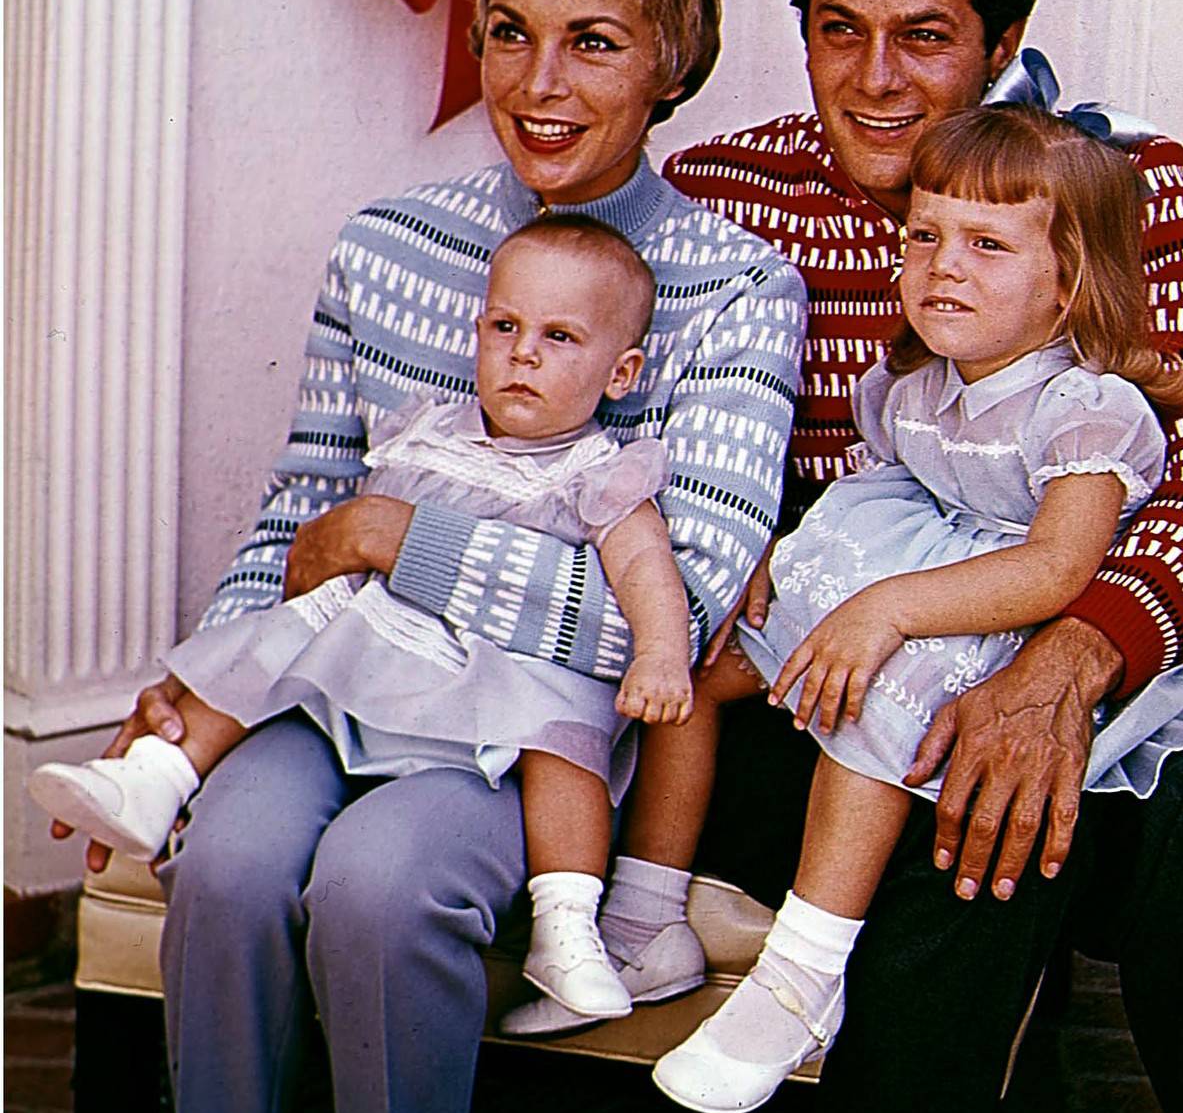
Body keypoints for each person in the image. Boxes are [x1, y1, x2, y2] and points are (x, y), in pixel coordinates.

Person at [505, 0, 1183, 1113]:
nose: (875, 80)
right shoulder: (730, 193)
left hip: (1064, 649)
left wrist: (1062, 670)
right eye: (838, 30)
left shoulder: (1113, 182)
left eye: (922, 37)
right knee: (959, 842)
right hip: (839, 687)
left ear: (1000, 46)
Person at [53, 0, 806, 1113]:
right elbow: (300, 515)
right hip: (336, 677)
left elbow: (673, 618)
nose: (538, 81)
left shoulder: (732, 288)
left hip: (532, 742)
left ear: (670, 61)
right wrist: (200, 674)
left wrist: (398, 535)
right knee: (224, 861)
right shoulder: (388, 246)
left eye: (592, 41)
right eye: (507, 31)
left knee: (381, 886)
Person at [640, 104, 1183, 1113]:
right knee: (705, 664)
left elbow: (1051, 569)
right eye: (922, 236)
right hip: (909, 572)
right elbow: (883, 485)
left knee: (877, 710)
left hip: (1000, 616)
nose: (940, 267)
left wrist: (887, 608)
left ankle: (799, 975)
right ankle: (640, 910)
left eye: (985, 246)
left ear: (1067, 283)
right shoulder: (915, 380)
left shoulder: (1086, 407)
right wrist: (787, 559)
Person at [34, 216, 697, 1020]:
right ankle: (156, 778)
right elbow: (330, 539)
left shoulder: (600, 471)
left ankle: (567, 926)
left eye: (560, 337)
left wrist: (660, 652)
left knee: (565, 740)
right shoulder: (429, 432)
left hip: (504, 675)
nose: (523, 353)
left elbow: (642, 569)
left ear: (620, 373)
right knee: (277, 639)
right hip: (387, 651)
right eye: (505, 326)